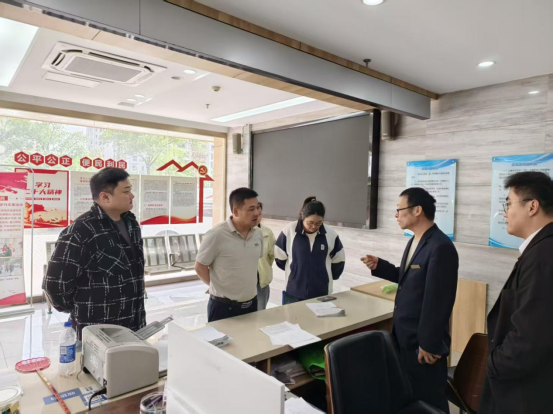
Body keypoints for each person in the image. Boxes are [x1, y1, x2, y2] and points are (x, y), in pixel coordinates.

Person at [361, 187, 458, 413]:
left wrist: (428, 343)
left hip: (423, 344)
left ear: (417, 210)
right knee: (412, 395)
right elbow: (408, 278)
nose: (396, 215)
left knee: (430, 399)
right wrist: (381, 266)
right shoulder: (415, 240)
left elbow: (438, 301)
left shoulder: (440, 246)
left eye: (399, 209)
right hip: (406, 336)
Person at [480, 172, 553, 414]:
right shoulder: (540, 249)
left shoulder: (543, 255)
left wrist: (494, 365)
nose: (505, 213)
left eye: (509, 204)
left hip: (525, 394)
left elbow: (530, 336)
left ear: (532, 207)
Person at [43, 168, 145, 340]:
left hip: (134, 323)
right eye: (126, 191)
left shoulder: (131, 223)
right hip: (98, 330)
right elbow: (56, 285)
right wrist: (82, 308)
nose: (132, 196)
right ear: (105, 197)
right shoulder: (81, 231)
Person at [195, 187, 263, 322]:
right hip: (224, 307)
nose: (257, 213)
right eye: (251, 209)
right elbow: (200, 267)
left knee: (250, 336)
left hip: (251, 304)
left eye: (258, 207)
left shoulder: (258, 234)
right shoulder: (216, 235)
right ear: (236, 211)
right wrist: (217, 288)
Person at [275, 197, 345, 305]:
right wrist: (296, 271)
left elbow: (339, 259)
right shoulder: (289, 230)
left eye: (319, 223)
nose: (314, 226)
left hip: (322, 293)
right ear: (303, 217)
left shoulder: (330, 234)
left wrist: (324, 275)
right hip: (293, 292)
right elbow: (279, 257)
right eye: (310, 222)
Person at [256, 202, 276, 310]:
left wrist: (264, 268)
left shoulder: (267, 233)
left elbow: (271, 256)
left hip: (261, 282)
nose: (257, 217)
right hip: (242, 283)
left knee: (260, 313)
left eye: (259, 214)